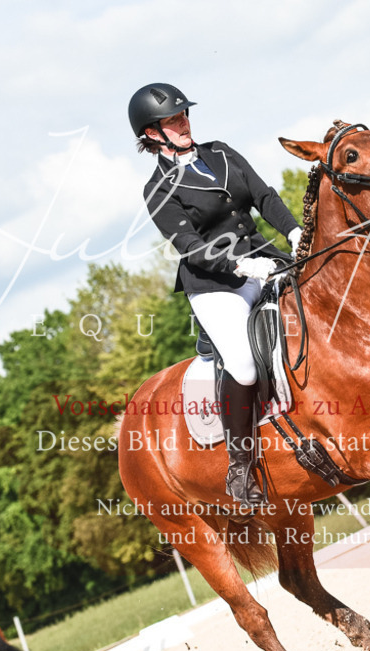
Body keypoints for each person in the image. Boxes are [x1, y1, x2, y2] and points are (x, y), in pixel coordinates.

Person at [129, 82, 302, 506]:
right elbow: (190, 247)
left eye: (183, 115)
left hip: (266, 258)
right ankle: (240, 467)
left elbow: (263, 196)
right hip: (216, 283)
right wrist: (240, 266)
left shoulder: (222, 153)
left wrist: (295, 232)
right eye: (172, 120)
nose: (183, 123)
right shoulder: (158, 189)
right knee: (243, 365)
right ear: (152, 133)